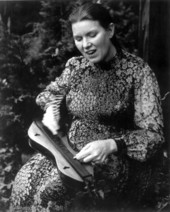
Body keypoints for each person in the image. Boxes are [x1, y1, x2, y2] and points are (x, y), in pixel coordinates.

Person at [11, 2, 164, 211]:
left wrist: (111, 144)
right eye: (78, 38)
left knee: (51, 193)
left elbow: (154, 136)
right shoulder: (76, 66)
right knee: (23, 181)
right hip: (68, 150)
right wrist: (52, 108)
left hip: (113, 161)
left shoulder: (138, 72)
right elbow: (48, 94)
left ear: (110, 30)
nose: (85, 45)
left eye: (92, 35)